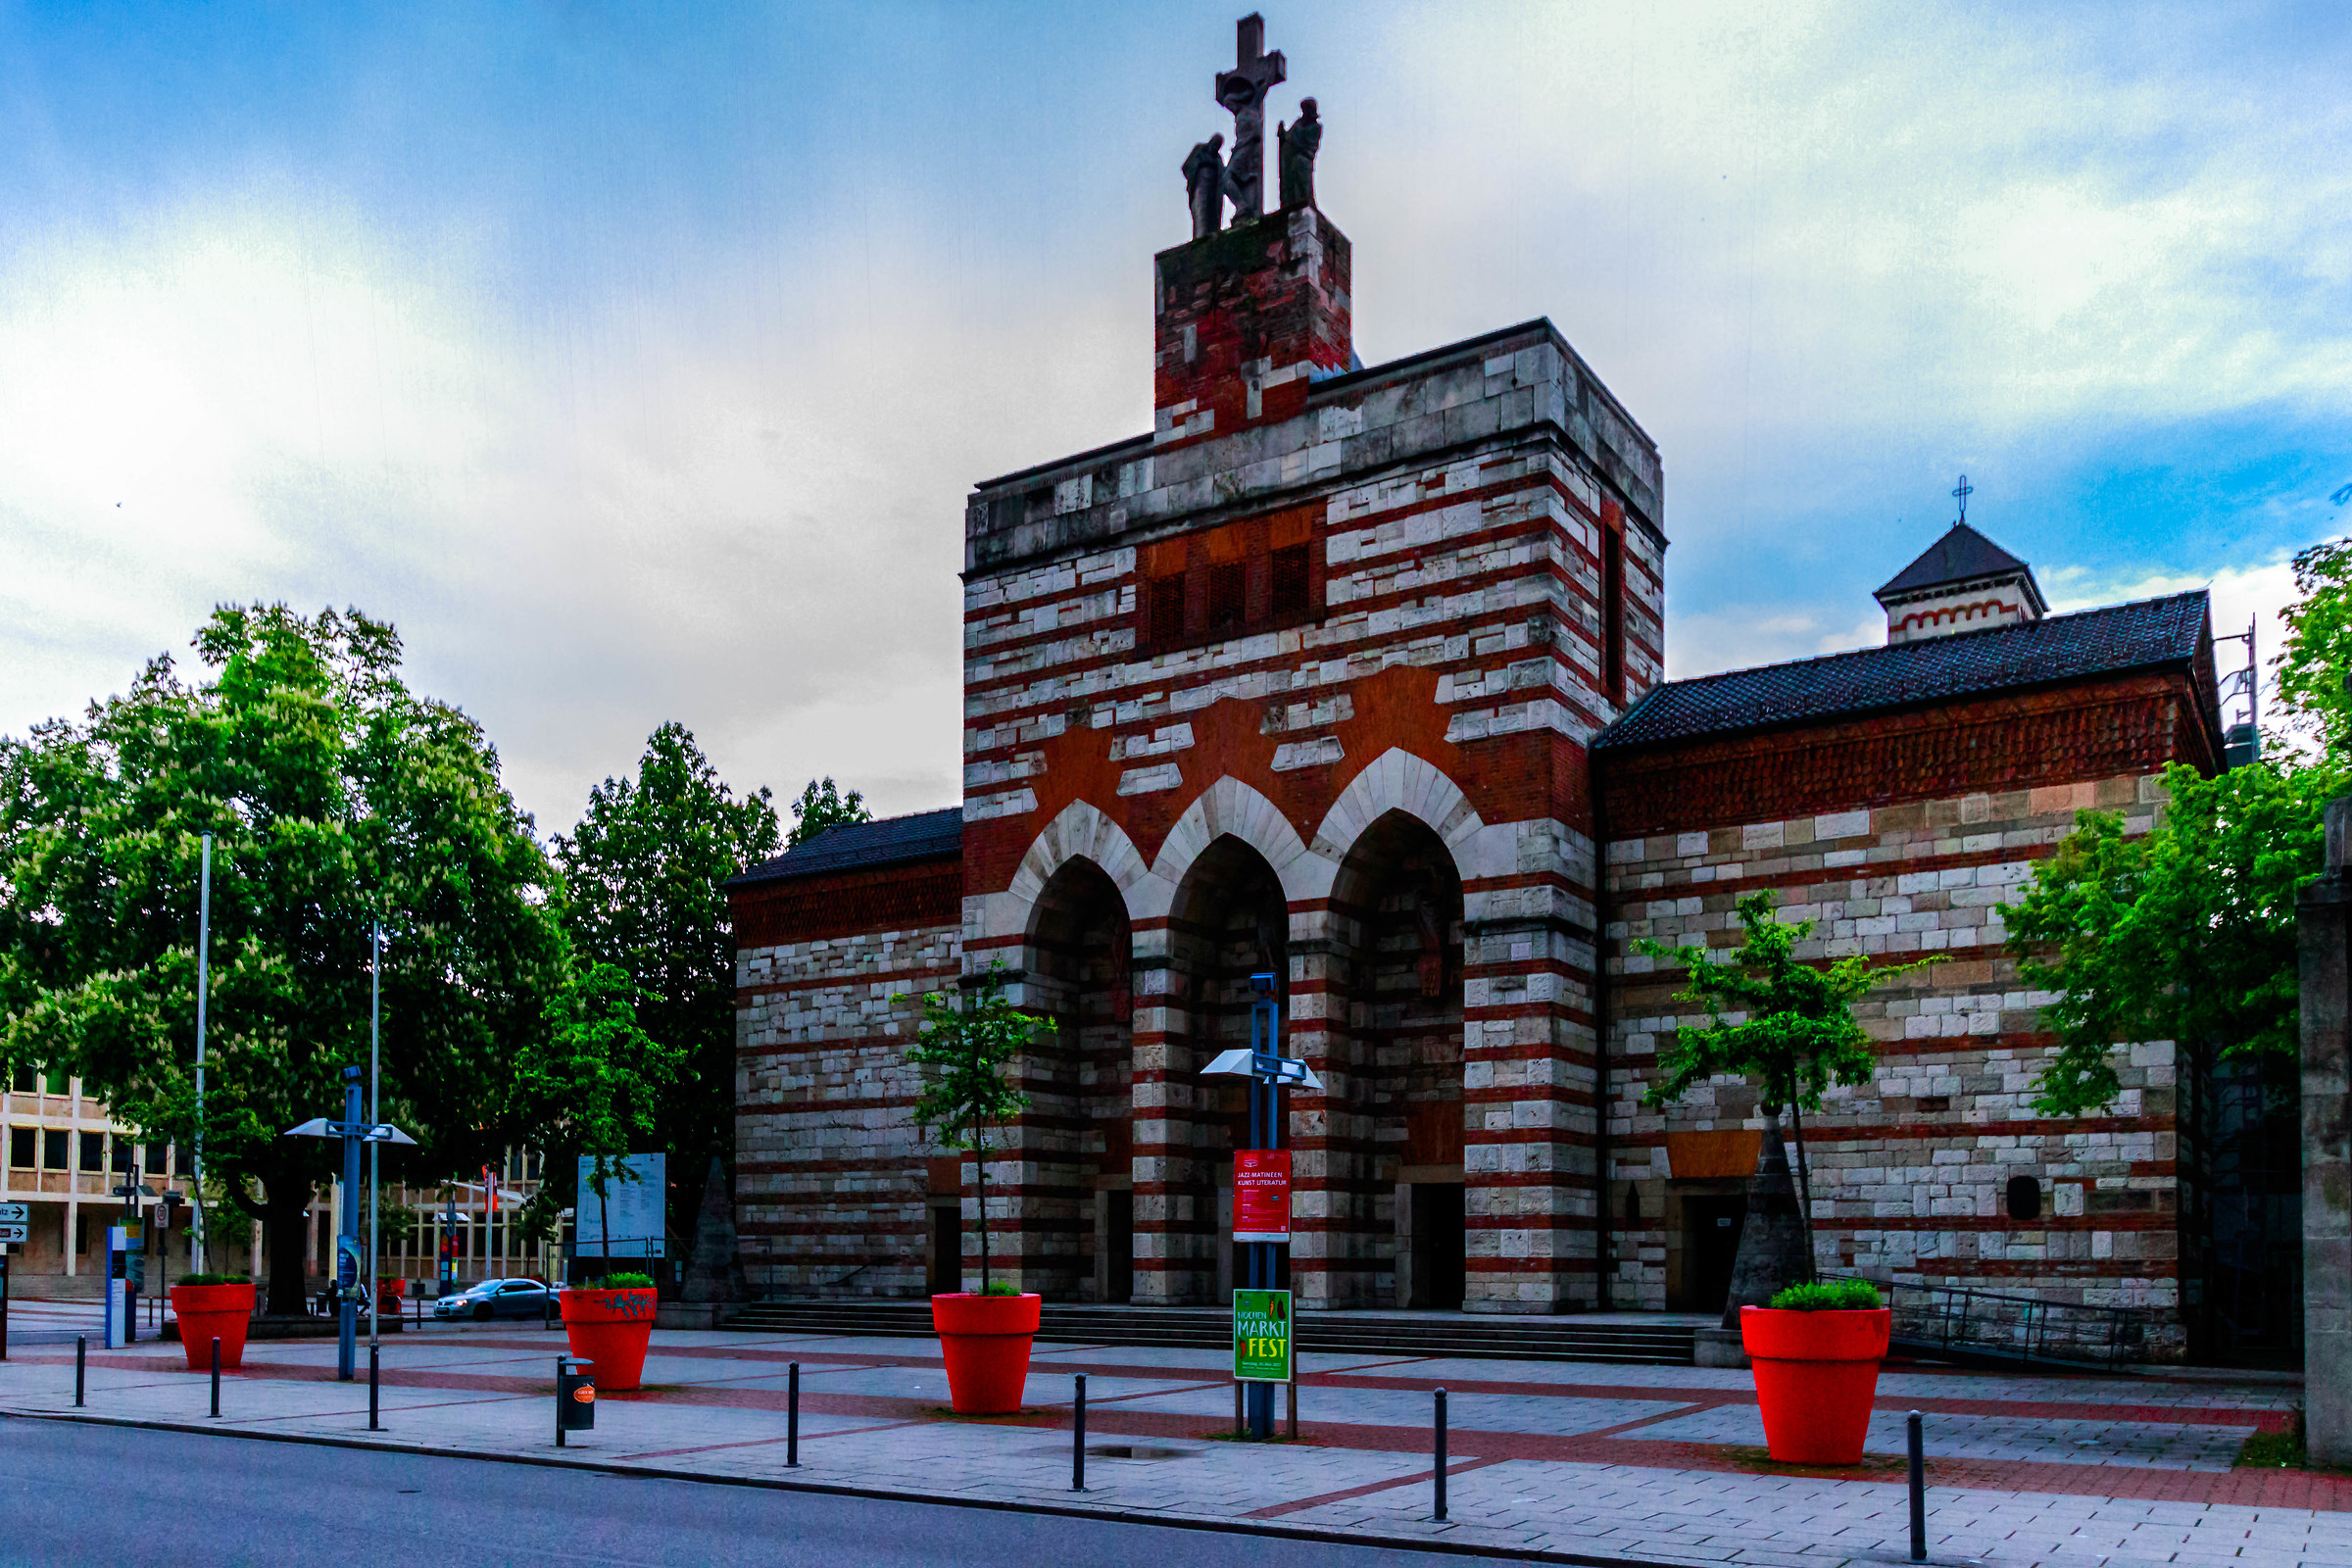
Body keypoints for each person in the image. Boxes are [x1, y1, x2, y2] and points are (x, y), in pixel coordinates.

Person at [1277, 98, 1321, 211]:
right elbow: (1289, 137)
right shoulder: (1299, 122)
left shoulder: (1316, 127)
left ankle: (1305, 202)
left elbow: (1309, 145)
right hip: (1292, 158)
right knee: (1291, 182)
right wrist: (1282, 134)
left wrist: (1293, 141)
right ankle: (1292, 202)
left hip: (1304, 159)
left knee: (1303, 183)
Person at [1183, 134, 1227, 239]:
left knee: (1212, 209)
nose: (1216, 147)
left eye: (1218, 146)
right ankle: (1200, 235)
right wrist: (1195, 173)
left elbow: (1222, 172)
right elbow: (1186, 167)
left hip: (1214, 187)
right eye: (1215, 144)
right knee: (1201, 208)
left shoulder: (1218, 158)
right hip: (1200, 184)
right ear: (1211, 141)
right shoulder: (1199, 149)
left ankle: (1211, 232)